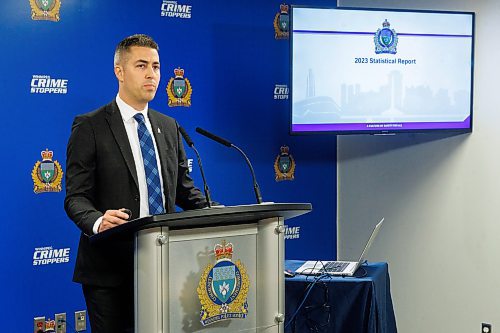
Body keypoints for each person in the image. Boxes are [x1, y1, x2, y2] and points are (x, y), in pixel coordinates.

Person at [64, 34, 208, 333]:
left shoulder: (168, 126)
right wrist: (98, 220)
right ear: (119, 71)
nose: (151, 74)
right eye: (141, 65)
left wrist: (220, 213)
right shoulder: (90, 126)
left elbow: (184, 190)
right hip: (110, 270)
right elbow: (76, 197)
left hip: (163, 265)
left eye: (156, 66)